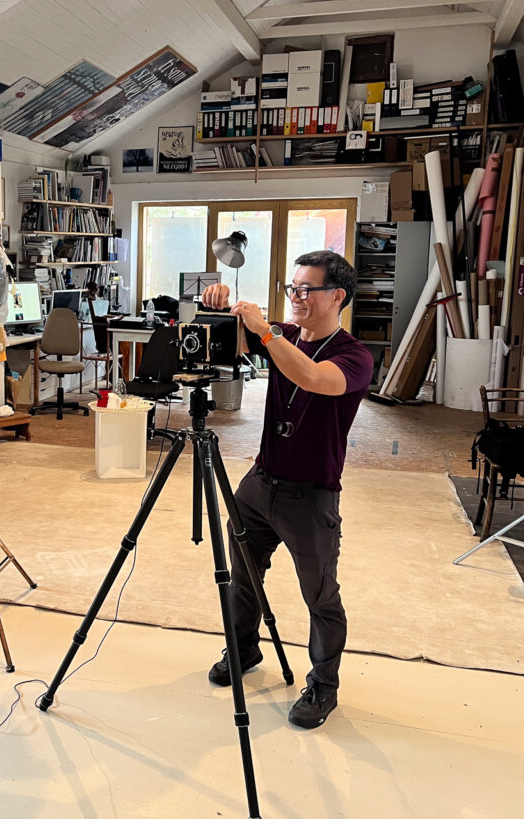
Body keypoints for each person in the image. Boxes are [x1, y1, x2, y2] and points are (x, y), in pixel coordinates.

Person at [200, 250, 372, 730]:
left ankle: (323, 685)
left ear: (336, 296)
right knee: (243, 574)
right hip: (260, 482)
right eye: (292, 288)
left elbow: (312, 377)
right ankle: (244, 648)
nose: (295, 297)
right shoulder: (286, 335)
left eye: (306, 289)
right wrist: (218, 303)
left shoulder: (354, 356)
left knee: (320, 595)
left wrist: (267, 331)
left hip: (312, 495)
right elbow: (229, 336)